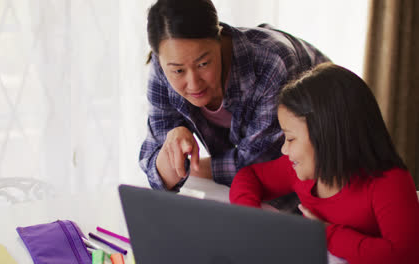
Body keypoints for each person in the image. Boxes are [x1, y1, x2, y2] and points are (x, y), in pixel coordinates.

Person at [229, 62, 419, 264]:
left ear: (326, 137)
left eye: (290, 139)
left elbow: (404, 255)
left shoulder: (389, 183)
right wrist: (252, 219)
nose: (284, 150)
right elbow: (250, 176)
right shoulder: (300, 171)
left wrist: (324, 234)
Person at [139, 0, 329, 192]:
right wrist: (172, 144)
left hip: (327, 167)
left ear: (219, 38)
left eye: (203, 64)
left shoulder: (273, 64)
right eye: (178, 71)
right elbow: (155, 167)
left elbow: (260, 167)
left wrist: (189, 167)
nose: (194, 83)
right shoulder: (163, 66)